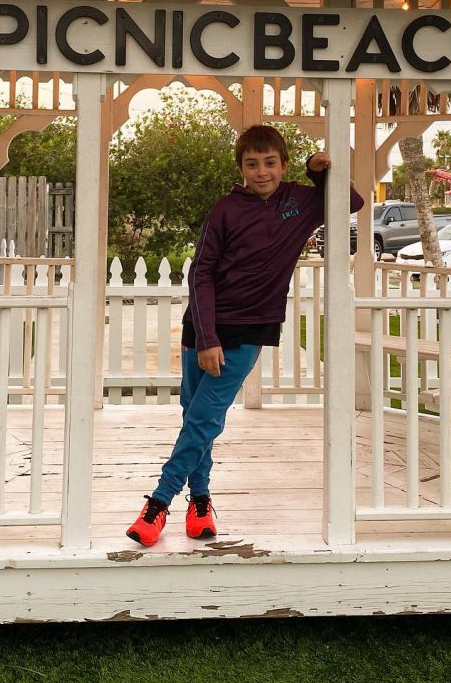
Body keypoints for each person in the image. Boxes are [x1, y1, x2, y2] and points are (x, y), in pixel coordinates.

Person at [126, 124, 364, 546]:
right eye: (252, 164)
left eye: (270, 163)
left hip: (249, 329)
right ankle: (200, 503)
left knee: (203, 418)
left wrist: (317, 171)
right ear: (240, 168)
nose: (262, 172)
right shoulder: (225, 209)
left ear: (283, 164)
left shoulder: (302, 202)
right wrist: (206, 337)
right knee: (196, 418)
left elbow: (351, 201)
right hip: (202, 328)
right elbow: (201, 272)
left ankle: (158, 504)